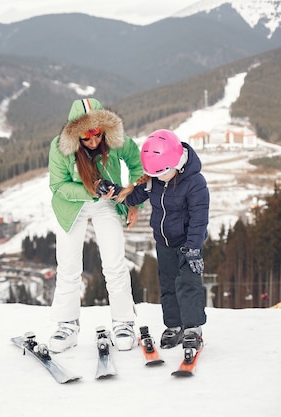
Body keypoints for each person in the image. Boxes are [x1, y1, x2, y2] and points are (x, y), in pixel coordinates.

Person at [47, 98, 143, 352]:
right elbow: (58, 186)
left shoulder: (114, 141)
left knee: (114, 262)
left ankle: (123, 322)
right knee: (68, 266)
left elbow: (137, 165)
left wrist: (133, 201)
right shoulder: (60, 148)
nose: (93, 143)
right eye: (86, 139)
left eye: (97, 136)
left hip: (106, 202)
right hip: (72, 204)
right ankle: (67, 324)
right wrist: (90, 189)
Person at [113, 129, 209, 349]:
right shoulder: (154, 179)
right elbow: (134, 197)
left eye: (163, 173)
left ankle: (193, 328)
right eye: (155, 174)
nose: (159, 178)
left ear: (175, 163)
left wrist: (193, 247)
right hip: (164, 241)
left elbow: (199, 218)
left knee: (188, 284)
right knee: (168, 284)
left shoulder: (195, 182)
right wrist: (114, 191)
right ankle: (174, 326)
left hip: (187, 244)